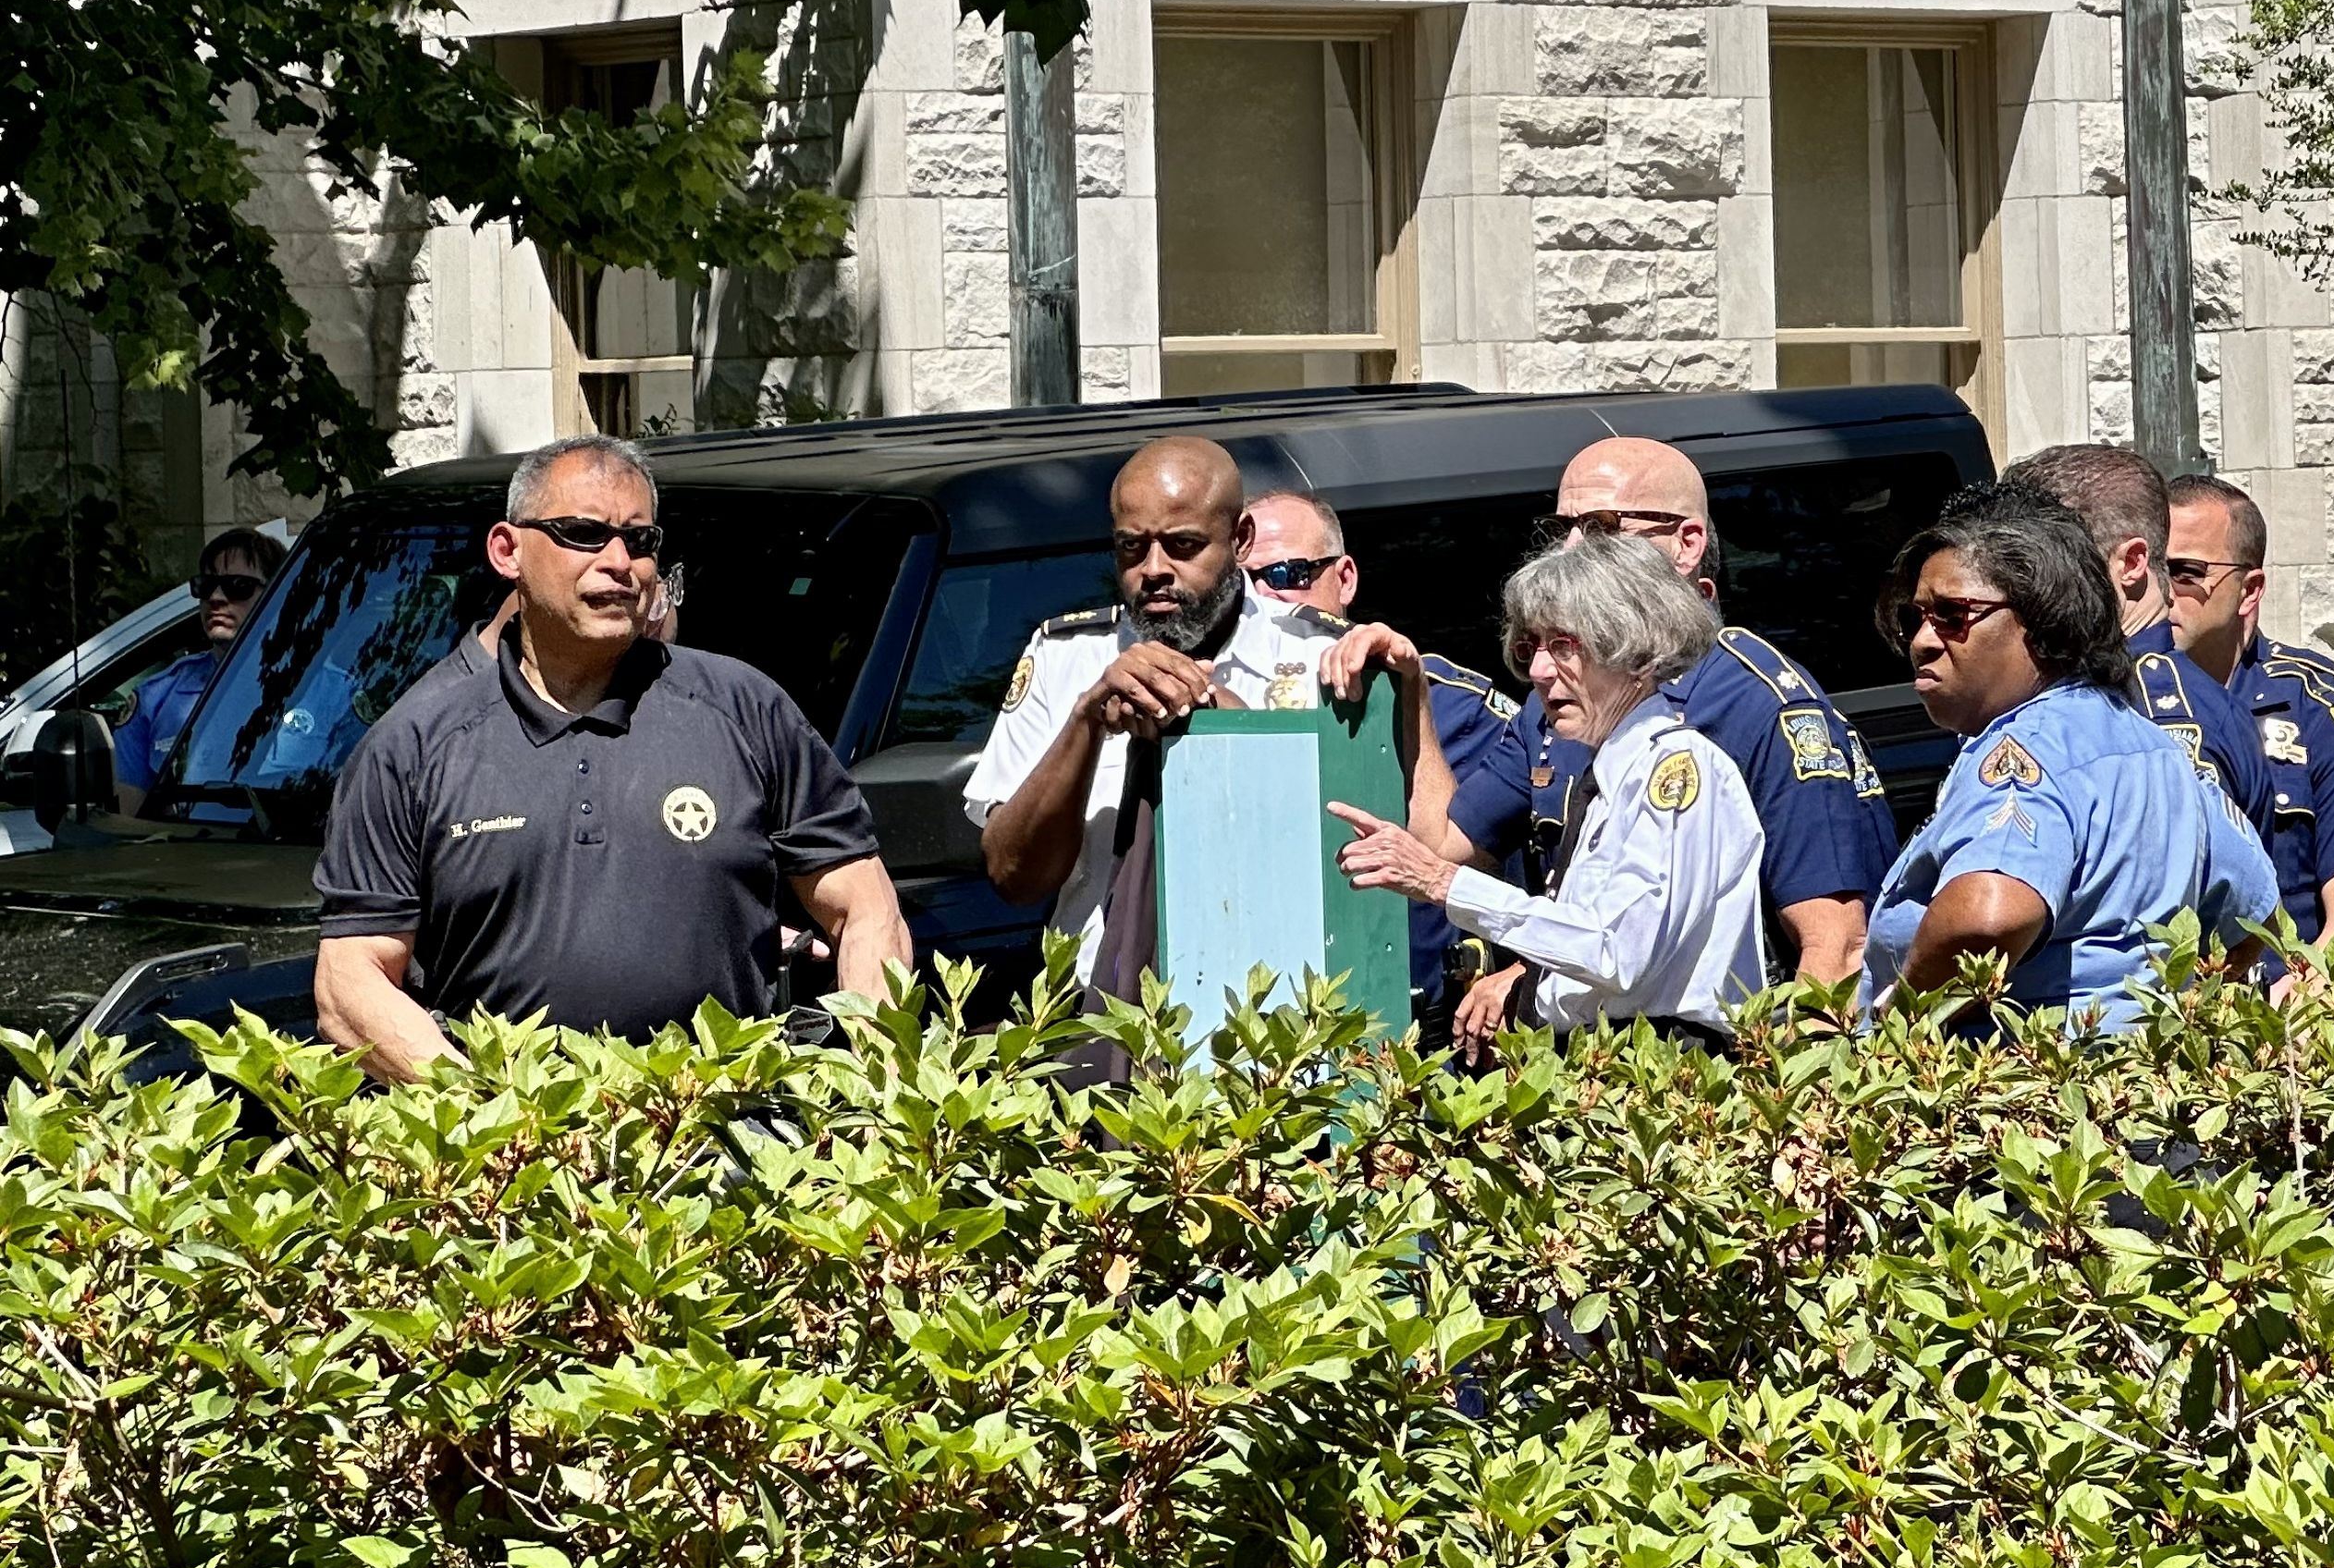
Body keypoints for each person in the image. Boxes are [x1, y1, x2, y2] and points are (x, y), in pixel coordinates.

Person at [312, 435, 912, 1080]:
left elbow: (867, 906)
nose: (619, 561)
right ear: (507, 551)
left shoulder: (745, 710)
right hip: (514, 1160)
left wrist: (877, 1092)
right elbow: (350, 984)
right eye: (583, 533)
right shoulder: (415, 745)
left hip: (724, 1143)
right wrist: (486, 1120)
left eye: (640, 540)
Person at [967, 438, 1431, 998]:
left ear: (1240, 541)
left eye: (1183, 545)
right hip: (1092, 1018)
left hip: (1271, 1023)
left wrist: (1221, 722)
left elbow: (1381, 859)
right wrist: (1085, 723)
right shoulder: (1065, 656)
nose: (1154, 570)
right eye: (1131, 549)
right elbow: (1014, 877)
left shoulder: (1323, 658)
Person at [1443, 436, 1892, 988]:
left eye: (1603, 527)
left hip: (1707, 1058)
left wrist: (1791, 1072)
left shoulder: (1756, 702)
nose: (1570, 550)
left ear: (1686, 544)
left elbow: (1835, 946)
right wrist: (1410, 690)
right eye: (1561, 531)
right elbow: (1447, 850)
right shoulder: (1562, 699)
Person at [1864, 482, 2279, 1035]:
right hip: (2137, 1093)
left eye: (1952, 615)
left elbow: (1988, 917)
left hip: (2016, 1106)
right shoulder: (2153, 747)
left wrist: (1900, 1029)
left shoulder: (2023, 749)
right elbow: (2258, 914)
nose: (1922, 640)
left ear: (2042, 620)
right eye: (1913, 619)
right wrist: (2177, 1025)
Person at [1329, 533, 1765, 1057]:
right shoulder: (1607, 769)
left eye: (1564, 646)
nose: (1536, 672)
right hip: (1603, 1064)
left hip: (1666, 1068)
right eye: (1529, 647)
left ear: (1634, 649)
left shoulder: (1676, 769)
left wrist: (1444, 883)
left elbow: (1619, 954)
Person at [1244, 487, 1529, 1042]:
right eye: (1244, 584)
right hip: (1271, 1040)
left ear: (1344, 578)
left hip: (1432, 1042)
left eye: (1286, 573)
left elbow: (1541, 865)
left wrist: (1523, 970)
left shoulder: (1450, 703)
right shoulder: (1215, 709)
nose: (1265, 599)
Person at [2161, 473, 2334, 998]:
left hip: (2284, 1026)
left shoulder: (2317, 701)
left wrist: (2276, 1043)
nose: (2165, 591)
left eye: (2187, 572)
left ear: (2250, 590)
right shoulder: (2115, 700)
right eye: (2155, 570)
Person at [1996, 446, 2278, 843]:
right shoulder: (2059, 692)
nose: (2020, 588)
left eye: (2043, 565)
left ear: (2131, 564)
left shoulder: (2156, 720)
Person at [110, 525, 288, 812]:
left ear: (279, 594)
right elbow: (127, 820)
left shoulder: (324, 692)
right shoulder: (156, 698)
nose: (216, 597)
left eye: (238, 586)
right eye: (205, 586)